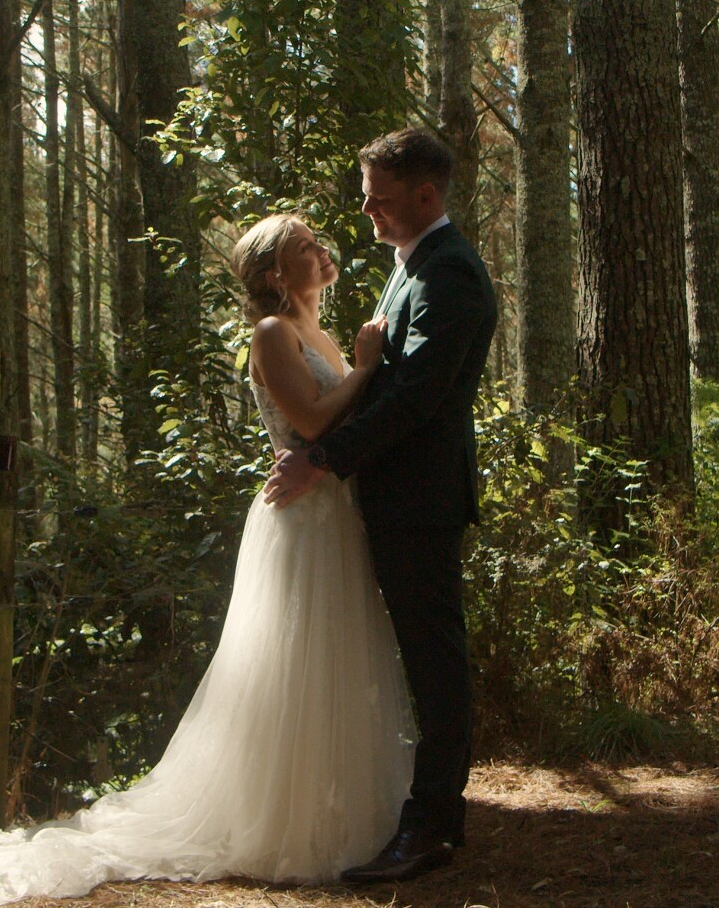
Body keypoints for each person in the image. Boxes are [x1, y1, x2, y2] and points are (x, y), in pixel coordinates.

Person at [0, 214, 412, 905]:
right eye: (304, 246)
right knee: (296, 664)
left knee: (335, 657)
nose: (321, 249)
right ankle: (287, 821)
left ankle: (337, 810)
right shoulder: (272, 333)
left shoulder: (324, 335)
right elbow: (312, 421)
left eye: (315, 240)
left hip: (335, 512)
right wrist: (366, 370)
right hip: (300, 520)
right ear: (276, 274)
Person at [264, 127, 499, 883]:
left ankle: (431, 824)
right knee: (417, 656)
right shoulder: (412, 266)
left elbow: (416, 398)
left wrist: (322, 459)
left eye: (378, 198)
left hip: (421, 497)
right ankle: (424, 811)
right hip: (392, 495)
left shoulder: (449, 272)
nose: (365, 210)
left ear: (424, 195)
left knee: (435, 660)